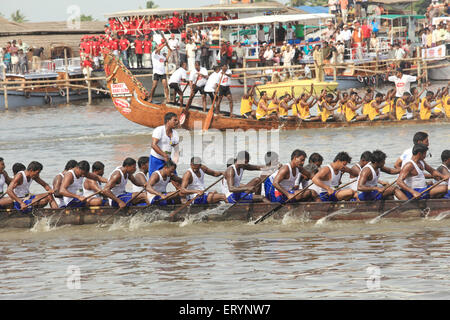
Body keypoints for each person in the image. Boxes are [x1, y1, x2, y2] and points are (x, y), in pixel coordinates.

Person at [149, 112, 180, 177]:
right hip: (156, 159)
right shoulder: (159, 130)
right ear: (168, 121)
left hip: (168, 160)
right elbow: (153, 145)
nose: (177, 122)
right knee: (153, 180)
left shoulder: (175, 133)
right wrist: (164, 155)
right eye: (175, 120)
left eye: (177, 120)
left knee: (175, 179)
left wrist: (175, 162)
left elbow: (176, 150)